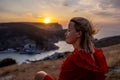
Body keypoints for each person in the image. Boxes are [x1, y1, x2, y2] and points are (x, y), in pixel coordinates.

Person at [34, 17, 108, 80]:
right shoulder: (96, 54)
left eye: (69, 30)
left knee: (39, 74)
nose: (65, 33)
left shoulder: (73, 61)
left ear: (79, 34)